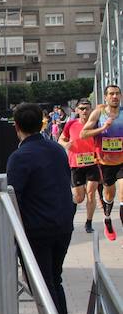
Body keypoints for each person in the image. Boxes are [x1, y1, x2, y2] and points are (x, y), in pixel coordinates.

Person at [6, 103, 75, 314]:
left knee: (43, 285)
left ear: (17, 126)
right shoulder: (56, 149)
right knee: (53, 280)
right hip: (63, 225)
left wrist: (15, 235)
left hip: (38, 230)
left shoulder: (20, 157)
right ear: (42, 123)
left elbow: (13, 198)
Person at [81, 85, 123, 241]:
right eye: (111, 94)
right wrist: (102, 128)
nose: (115, 96)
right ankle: (107, 218)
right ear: (105, 97)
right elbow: (83, 133)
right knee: (109, 194)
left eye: (117, 94)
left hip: (122, 161)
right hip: (105, 162)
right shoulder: (99, 113)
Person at [59, 99, 100, 234]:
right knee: (78, 197)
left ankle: (88, 222)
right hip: (75, 164)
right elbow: (61, 139)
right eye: (81, 108)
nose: (84, 111)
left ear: (91, 110)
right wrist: (66, 145)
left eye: (87, 108)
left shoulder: (95, 125)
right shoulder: (70, 124)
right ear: (76, 110)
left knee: (90, 193)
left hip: (92, 163)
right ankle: (69, 218)